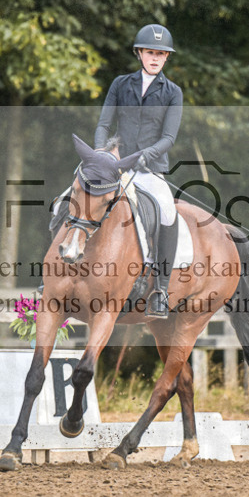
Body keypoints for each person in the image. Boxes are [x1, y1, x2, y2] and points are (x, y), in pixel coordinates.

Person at [94, 24, 183, 318]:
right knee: (74, 196)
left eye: (160, 54)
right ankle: (54, 275)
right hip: (116, 166)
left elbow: (168, 137)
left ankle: (161, 290)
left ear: (166, 57)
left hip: (149, 169)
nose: (155, 58)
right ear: (139, 53)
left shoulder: (172, 92)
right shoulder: (121, 84)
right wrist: (101, 154)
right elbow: (104, 124)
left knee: (167, 211)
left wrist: (147, 154)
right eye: (150, 52)